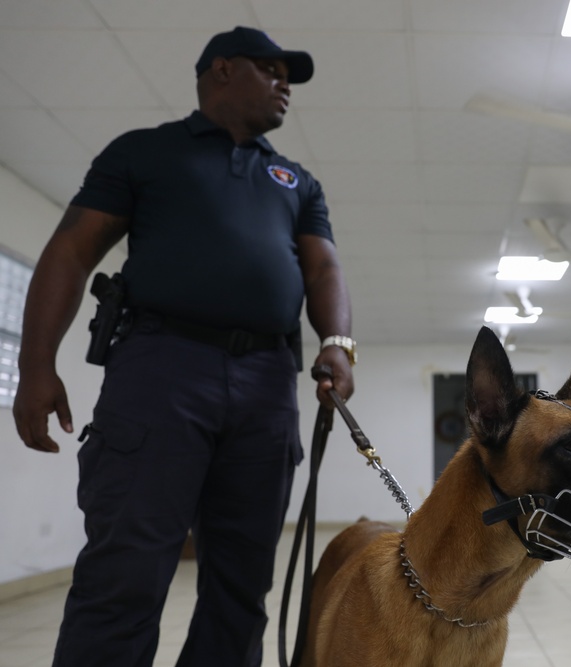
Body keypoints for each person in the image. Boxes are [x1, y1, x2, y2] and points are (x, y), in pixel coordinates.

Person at [12, 26, 355, 667]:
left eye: (289, 75)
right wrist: (36, 366)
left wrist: (337, 341)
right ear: (221, 70)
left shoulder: (296, 181)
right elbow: (72, 250)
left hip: (266, 382)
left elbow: (324, 270)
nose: (284, 84)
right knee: (125, 574)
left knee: (242, 584)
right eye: (270, 69)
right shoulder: (145, 153)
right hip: (160, 370)